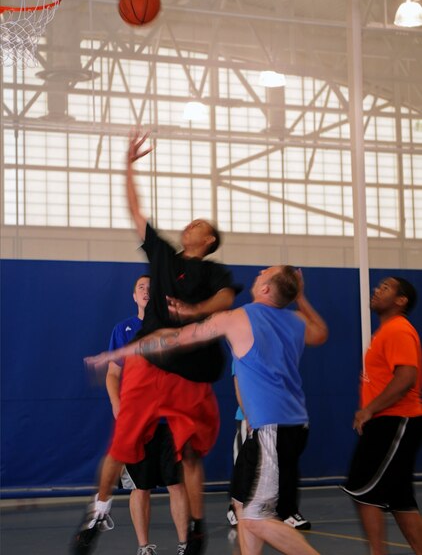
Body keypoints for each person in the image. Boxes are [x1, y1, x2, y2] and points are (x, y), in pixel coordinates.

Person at [72, 129, 238, 555]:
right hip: (151, 364)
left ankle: (196, 527)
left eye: (199, 225)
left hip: (191, 365)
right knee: (121, 444)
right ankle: (99, 510)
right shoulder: (162, 255)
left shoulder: (214, 273)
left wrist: (194, 312)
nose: (190, 225)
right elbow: (135, 208)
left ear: (209, 241)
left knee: (191, 455)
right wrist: (128, 165)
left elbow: (224, 298)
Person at [86, 264, 329, 555]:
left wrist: (120, 352)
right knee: (241, 505)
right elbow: (321, 333)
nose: (260, 272)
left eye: (264, 274)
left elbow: (176, 339)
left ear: (265, 289)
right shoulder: (296, 321)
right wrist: (300, 296)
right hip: (290, 426)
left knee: (255, 518)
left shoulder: (238, 318)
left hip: (272, 428)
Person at [106, 275, 188, 555]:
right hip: (138, 424)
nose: (146, 291)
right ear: (134, 296)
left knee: (176, 484)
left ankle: (184, 544)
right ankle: (144, 547)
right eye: (141, 287)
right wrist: (118, 406)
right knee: (140, 487)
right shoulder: (123, 329)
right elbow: (113, 373)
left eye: (152, 288)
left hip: (169, 422)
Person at [342, 276, 422, 555]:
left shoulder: (398, 330)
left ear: (401, 301)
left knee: (362, 488)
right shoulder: (385, 332)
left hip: (395, 420)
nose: (377, 290)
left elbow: (407, 377)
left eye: (385, 288)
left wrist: (370, 409)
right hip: (388, 420)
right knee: (399, 498)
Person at [227, 379, 312, 531]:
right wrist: (248, 414)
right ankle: (236, 507)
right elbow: (240, 383)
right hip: (253, 418)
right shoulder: (243, 357)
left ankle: (286, 511)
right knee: (245, 467)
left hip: (277, 417)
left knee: (285, 465)